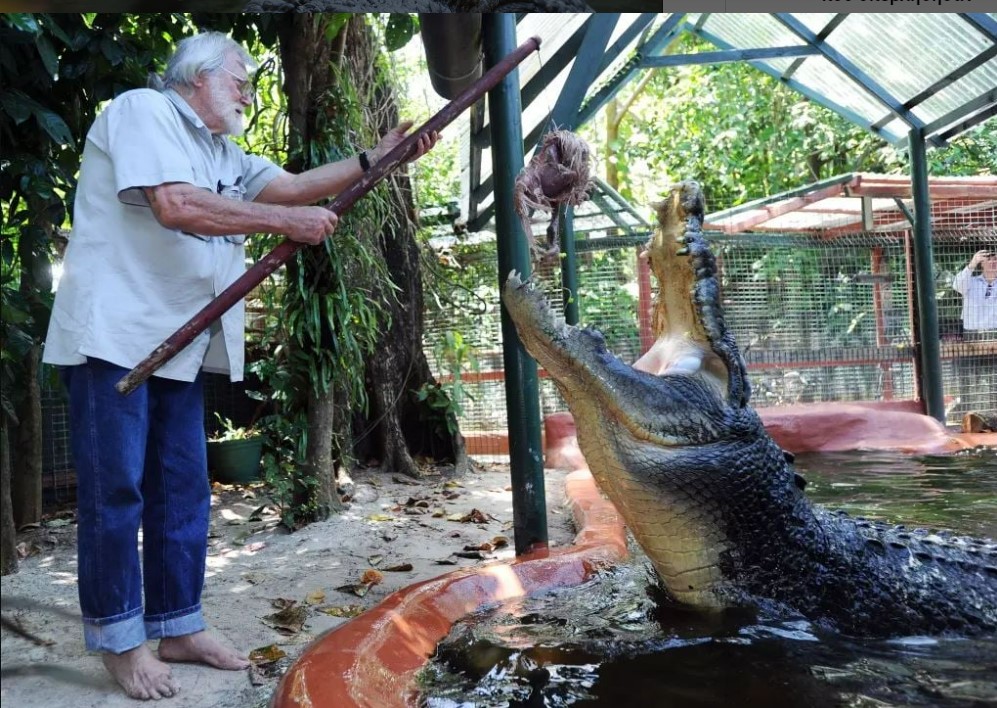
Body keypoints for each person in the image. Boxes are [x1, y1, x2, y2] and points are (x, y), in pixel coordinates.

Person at [42, 31, 437, 700]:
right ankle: (119, 639)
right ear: (194, 79)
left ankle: (178, 624)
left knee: (183, 488)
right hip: (113, 338)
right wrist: (284, 225)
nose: (248, 94)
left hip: (178, 346)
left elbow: (292, 187)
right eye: (238, 81)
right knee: (117, 493)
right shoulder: (143, 110)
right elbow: (176, 205)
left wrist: (378, 158)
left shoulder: (219, 150)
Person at [952, 248, 997, 334]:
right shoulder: (971, 281)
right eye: (988, 259)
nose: (992, 262)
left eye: (995, 259)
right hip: (972, 332)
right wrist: (972, 264)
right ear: (981, 263)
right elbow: (957, 286)